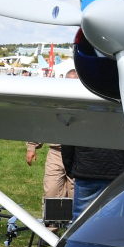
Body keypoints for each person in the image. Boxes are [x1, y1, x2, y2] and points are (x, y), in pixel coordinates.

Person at [25, 69, 79, 202]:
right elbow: (42, 124)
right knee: (52, 190)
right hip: (56, 152)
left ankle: (74, 216)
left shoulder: (85, 102)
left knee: (76, 193)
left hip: (77, 153)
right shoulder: (55, 102)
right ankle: (51, 216)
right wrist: (32, 147)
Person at [61, 145, 124, 221]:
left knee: (82, 220)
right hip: (114, 170)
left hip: (86, 169)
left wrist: (71, 171)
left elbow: (68, 145)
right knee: (109, 220)